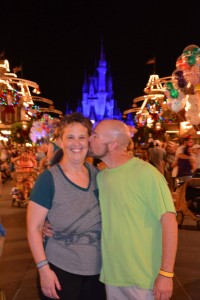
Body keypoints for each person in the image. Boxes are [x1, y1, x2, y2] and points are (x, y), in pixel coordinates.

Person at [44, 119, 178, 300]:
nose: (89, 139)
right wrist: (48, 222)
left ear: (113, 144)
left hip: (144, 278)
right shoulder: (101, 176)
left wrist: (166, 273)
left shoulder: (146, 174)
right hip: (111, 276)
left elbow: (169, 224)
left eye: (95, 136)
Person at [26, 112, 106, 300]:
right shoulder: (48, 179)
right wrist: (44, 270)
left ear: (89, 141)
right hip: (60, 269)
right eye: (70, 137)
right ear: (61, 141)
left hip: (98, 271)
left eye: (81, 137)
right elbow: (34, 228)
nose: (76, 144)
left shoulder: (99, 176)